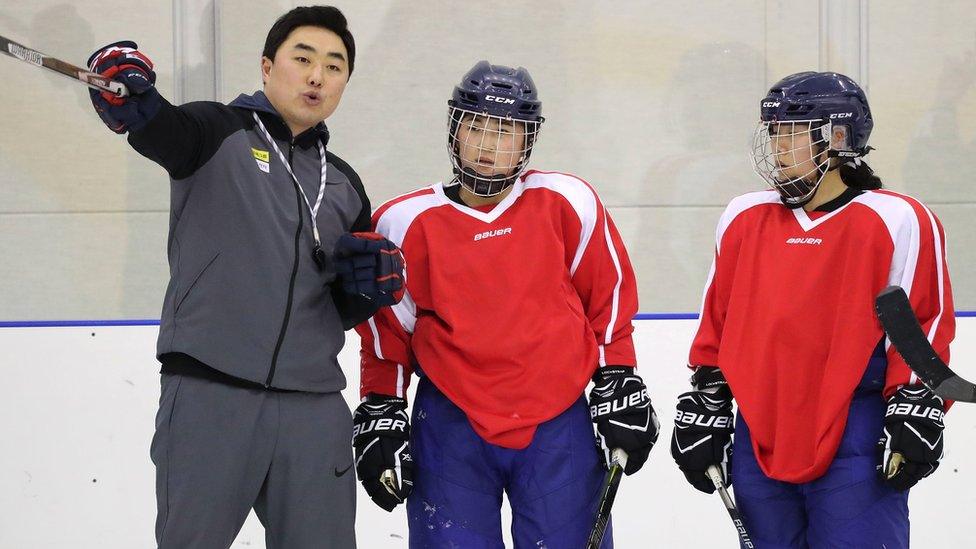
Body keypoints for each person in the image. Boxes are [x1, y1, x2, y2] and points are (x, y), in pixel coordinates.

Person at [86, 6, 403, 548]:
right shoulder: (214, 132)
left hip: (314, 406)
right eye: (302, 59)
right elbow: (157, 125)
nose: (316, 76)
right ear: (266, 66)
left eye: (334, 66)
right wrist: (125, 89)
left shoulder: (346, 185)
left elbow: (341, 309)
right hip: (212, 393)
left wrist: (366, 291)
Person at [351, 61, 660, 548]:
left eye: (507, 130)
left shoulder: (565, 201)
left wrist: (617, 377)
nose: (490, 145)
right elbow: (388, 333)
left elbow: (608, 299)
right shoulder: (403, 221)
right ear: (455, 130)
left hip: (559, 422)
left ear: (527, 139)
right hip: (451, 425)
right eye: (476, 127)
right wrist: (381, 407)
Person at [670, 71, 955, 548]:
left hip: (855, 430)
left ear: (837, 138)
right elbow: (719, 319)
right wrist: (710, 398)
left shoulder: (895, 218)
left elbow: (921, 325)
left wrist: (918, 403)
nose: (777, 146)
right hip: (761, 429)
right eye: (774, 131)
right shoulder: (744, 216)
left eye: (793, 132)